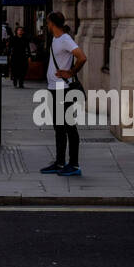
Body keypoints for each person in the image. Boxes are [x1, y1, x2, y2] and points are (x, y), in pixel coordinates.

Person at [41, 11, 87, 177]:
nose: (47, 25)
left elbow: (82, 57)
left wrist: (70, 72)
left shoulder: (65, 39)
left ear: (52, 23)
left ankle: (74, 165)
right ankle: (60, 162)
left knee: (69, 127)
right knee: (58, 127)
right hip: (54, 88)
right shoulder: (56, 39)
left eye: (48, 23)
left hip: (63, 89)